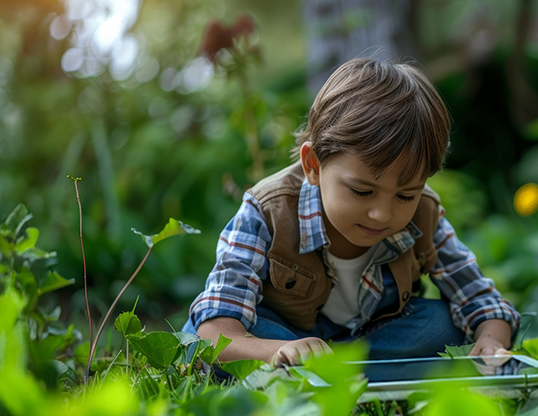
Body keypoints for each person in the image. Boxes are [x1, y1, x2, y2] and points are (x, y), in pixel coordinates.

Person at [182, 58, 519, 368]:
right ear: (313, 165)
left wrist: (491, 340)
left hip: (371, 340)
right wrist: (275, 352)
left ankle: (340, 375)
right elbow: (215, 332)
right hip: (282, 339)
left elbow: (482, 301)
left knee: (440, 325)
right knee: (207, 340)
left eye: (405, 195)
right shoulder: (266, 210)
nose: (381, 214)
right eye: (361, 191)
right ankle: (350, 374)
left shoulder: (424, 213)